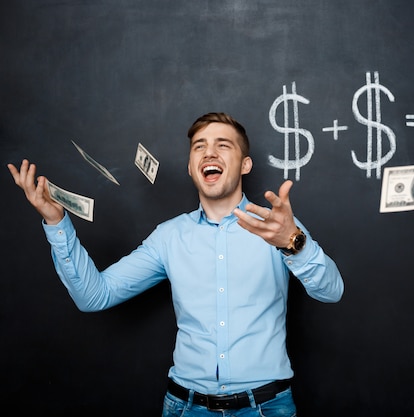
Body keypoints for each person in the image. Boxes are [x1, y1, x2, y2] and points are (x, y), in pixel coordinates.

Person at [7, 112, 344, 417]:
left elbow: (332, 292)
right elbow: (94, 296)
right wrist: (56, 223)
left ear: (245, 165)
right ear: (190, 166)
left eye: (223, 145)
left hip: (267, 408)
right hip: (186, 408)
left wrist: (293, 242)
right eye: (200, 146)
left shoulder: (277, 227)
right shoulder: (169, 237)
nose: (209, 153)